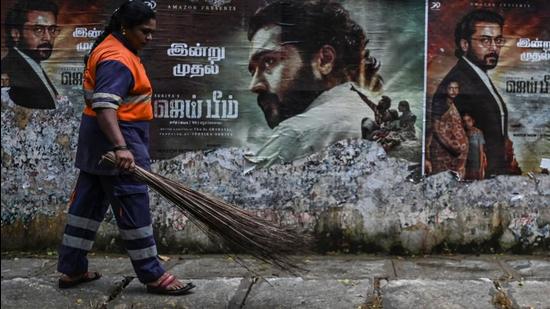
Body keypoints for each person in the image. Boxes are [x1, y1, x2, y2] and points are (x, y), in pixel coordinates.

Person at [56, 1, 195, 295]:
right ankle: (152, 274)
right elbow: (106, 106)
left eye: (152, 32)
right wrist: (121, 147)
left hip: (96, 143)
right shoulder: (117, 58)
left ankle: (72, 269)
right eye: (145, 31)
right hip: (119, 141)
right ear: (125, 28)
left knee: (87, 206)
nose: (150, 38)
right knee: (133, 207)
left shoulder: (110, 48)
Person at [244, 0, 382, 169]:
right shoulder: (369, 110)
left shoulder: (295, 133)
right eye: (253, 71)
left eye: (269, 61)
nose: (254, 85)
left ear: (324, 60)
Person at [432, 9, 520, 176]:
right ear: (465, 44)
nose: (494, 48)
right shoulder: (459, 82)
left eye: (498, 40)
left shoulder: (477, 75)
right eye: (485, 40)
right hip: (477, 180)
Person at [1, 0, 60, 109]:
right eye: (38, 29)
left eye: (52, 29)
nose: (47, 37)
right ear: (16, 34)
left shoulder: (32, 65)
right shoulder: (10, 70)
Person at [427, 80, 469, 178]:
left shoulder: (452, 104)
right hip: (443, 152)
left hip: (455, 155)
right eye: (450, 88)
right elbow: (436, 129)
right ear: (446, 90)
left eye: (456, 88)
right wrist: (451, 146)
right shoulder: (441, 104)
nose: (453, 91)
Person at [463, 113, 487, 180]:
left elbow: (481, 151)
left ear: (473, 121)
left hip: (476, 163)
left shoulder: (478, 133)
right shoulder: (462, 133)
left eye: (469, 120)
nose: (467, 123)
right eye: (464, 121)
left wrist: (481, 167)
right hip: (466, 164)